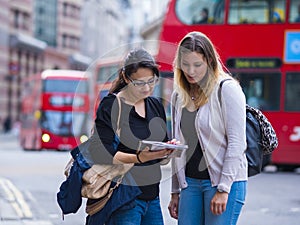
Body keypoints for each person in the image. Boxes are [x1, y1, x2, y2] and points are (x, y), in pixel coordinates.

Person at [167, 31, 248, 225]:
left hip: (223, 182)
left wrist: (223, 189)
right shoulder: (179, 96)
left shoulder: (227, 89)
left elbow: (237, 143)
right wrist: (175, 191)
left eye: (197, 65)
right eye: (185, 65)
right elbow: (179, 148)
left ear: (210, 61)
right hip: (190, 184)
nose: (191, 71)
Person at [86, 48, 172, 225]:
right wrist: (139, 157)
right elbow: (100, 153)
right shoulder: (111, 105)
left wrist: (167, 151)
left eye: (151, 81)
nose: (147, 88)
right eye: (139, 83)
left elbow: (160, 155)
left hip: (152, 198)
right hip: (123, 199)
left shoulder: (155, 106)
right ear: (126, 78)